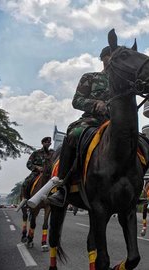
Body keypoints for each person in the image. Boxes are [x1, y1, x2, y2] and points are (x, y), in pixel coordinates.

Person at [48, 46, 112, 207]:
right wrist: (95, 103)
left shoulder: (124, 84)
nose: (112, 59)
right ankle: (61, 186)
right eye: (109, 55)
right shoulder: (90, 77)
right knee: (73, 134)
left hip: (115, 124)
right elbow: (77, 101)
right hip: (92, 121)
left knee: (138, 143)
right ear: (102, 58)